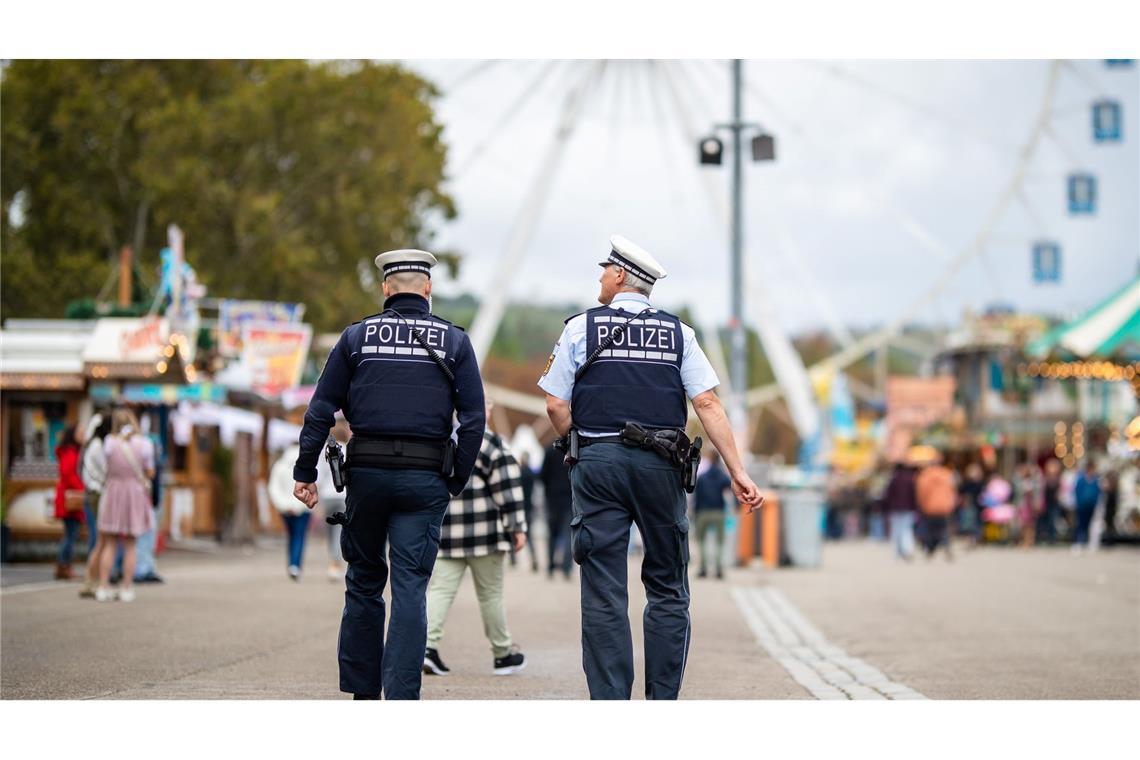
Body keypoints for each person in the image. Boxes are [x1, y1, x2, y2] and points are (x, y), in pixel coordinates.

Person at [538, 234, 762, 700]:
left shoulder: (581, 328)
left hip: (598, 462)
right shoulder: (679, 334)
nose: (600, 276)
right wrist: (738, 470)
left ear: (620, 276)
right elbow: (707, 402)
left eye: (605, 269)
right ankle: (662, 700)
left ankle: (612, 701)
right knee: (667, 585)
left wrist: (577, 443)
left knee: (603, 588)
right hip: (662, 466)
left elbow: (556, 404)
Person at [291, 248, 486, 701]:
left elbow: (321, 408)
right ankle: (401, 698)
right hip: (425, 478)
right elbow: (474, 418)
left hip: (368, 476)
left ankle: (363, 694)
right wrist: (455, 477)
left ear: (385, 288)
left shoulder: (356, 338)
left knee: (363, 580)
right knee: (411, 586)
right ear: (428, 288)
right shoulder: (454, 342)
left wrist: (305, 471)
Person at [424, 408, 528, 677]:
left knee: (440, 591)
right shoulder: (489, 441)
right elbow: (507, 486)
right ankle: (503, 654)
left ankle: (427, 648)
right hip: (485, 534)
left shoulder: (438, 438)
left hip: (447, 530)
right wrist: (517, 526)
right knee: (491, 594)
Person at [94, 409, 155, 602]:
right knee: (130, 544)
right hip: (134, 494)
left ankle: (103, 587)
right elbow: (150, 471)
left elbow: (105, 466)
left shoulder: (109, 443)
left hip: (113, 492)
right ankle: (126, 588)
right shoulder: (144, 444)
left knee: (109, 543)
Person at [78, 413, 110, 598]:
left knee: (98, 539)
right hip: (96, 494)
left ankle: (92, 579)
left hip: (92, 493)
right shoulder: (97, 447)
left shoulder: (91, 445)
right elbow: (106, 470)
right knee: (99, 540)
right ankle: (91, 579)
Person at [316, 421, 351, 581]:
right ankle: (335, 564)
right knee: (339, 530)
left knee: (330, 530)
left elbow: (320, 476)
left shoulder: (326, 451)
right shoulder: (349, 450)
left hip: (327, 496)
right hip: (343, 495)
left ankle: (333, 560)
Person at [270, 443, 311, 580]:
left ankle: (291, 564)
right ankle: (295, 565)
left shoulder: (279, 466)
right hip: (303, 508)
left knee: (291, 535)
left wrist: (284, 505)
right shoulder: (307, 465)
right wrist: (299, 506)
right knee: (299, 536)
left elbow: (274, 488)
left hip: (285, 508)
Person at [692, 450, 732, 579]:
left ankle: (703, 568)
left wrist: (695, 512)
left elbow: (696, 497)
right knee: (719, 541)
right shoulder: (722, 476)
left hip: (703, 512)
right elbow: (731, 488)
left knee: (701, 541)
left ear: (710, 459)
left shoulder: (702, 477)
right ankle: (718, 568)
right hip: (718, 511)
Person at [53, 424, 86, 580]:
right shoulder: (70, 452)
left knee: (70, 533)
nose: (83, 434)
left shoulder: (73, 451)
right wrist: (82, 488)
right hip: (70, 497)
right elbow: (68, 474)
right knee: (70, 534)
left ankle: (64, 565)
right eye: (80, 431)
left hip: (68, 496)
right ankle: (64, 565)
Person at [539, 441, 573, 580]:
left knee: (552, 534)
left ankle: (551, 566)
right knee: (568, 534)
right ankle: (566, 568)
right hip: (570, 498)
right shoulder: (574, 449)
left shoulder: (549, 450)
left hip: (552, 498)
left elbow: (542, 476)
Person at [913, 448, 955, 560]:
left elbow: (921, 492)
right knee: (943, 529)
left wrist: (921, 504)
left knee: (930, 530)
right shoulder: (947, 474)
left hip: (929, 507)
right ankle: (946, 548)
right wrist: (950, 504)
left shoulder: (925, 475)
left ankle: (930, 549)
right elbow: (952, 491)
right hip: (944, 507)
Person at [509, 449, 540, 572]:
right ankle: (533, 559)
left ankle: (513, 558)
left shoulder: (518, 473)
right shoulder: (532, 474)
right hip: (529, 506)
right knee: (529, 536)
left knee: (513, 533)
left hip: (518, 507)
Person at [884, 459, 919, 560]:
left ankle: (899, 551)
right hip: (908, 508)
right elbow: (914, 495)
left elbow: (888, 495)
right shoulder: (910, 479)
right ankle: (908, 550)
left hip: (895, 508)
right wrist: (915, 507)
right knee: (907, 529)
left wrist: (886, 507)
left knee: (897, 530)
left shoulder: (893, 479)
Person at [1072, 460, 1101, 552]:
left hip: (1091, 506)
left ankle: (1088, 542)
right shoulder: (1081, 479)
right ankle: (1078, 542)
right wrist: (1079, 501)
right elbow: (1077, 491)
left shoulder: (1096, 480)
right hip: (1082, 506)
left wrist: (1095, 501)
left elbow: (1098, 492)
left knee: (1090, 525)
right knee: (1080, 524)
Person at [1037, 459, 1062, 545]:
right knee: (1044, 521)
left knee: (1053, 521)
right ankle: (1043, 537)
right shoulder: (1044, 479)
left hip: (1054, 504)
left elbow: (1061, 492)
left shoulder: (1058, 480)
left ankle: (1052, 539)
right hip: (1045, 503)